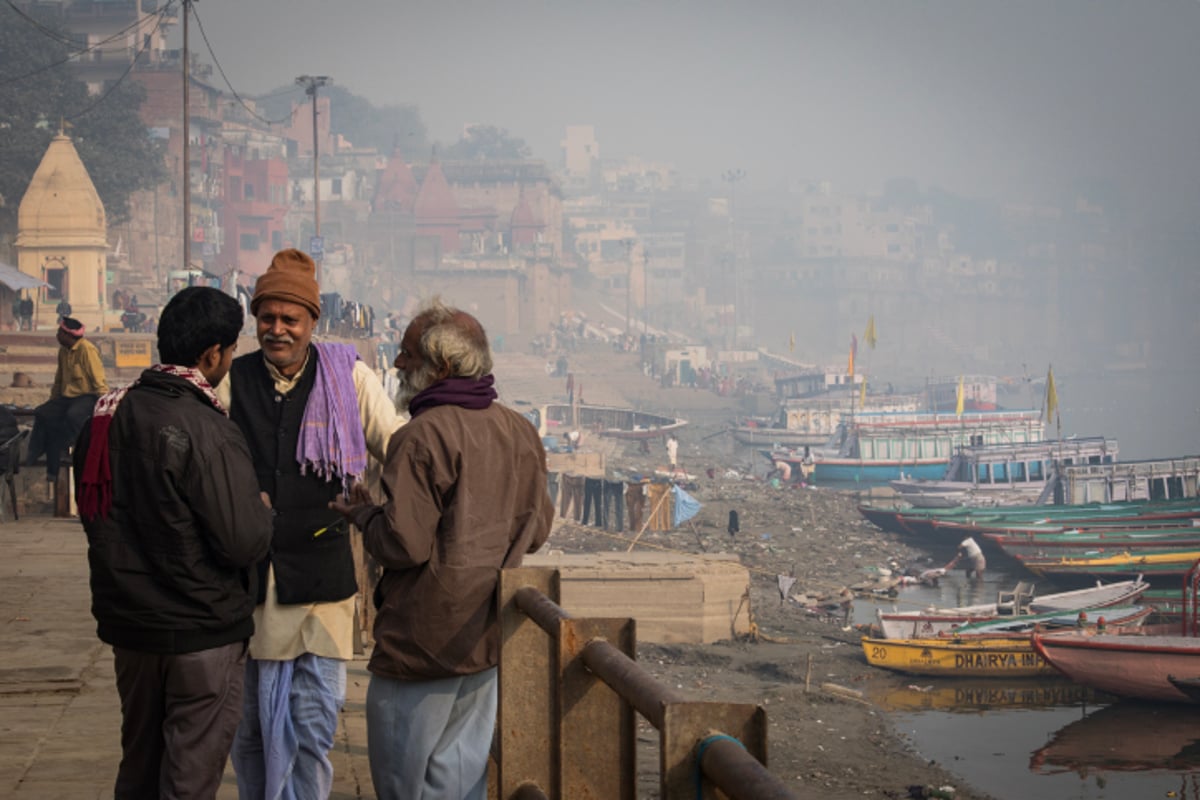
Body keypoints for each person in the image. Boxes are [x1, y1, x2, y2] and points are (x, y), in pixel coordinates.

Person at [330, 298, 553, 800]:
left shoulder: (422, 436)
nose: (397, 364)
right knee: (459, 781)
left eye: (407, 355)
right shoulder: (521, 431)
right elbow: (537, 531)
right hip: (486, 635)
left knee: (401, 784)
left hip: (421, 642)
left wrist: (365, 515)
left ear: (442, 367)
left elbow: (403, 545)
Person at [72, 287, 274, 799]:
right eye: (230, 351)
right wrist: (264, 513)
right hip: (199, 633)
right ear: (213, 355)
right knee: (189, 778)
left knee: (139, 768)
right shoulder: (208, 429)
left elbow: (99, 519)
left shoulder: (104, 419)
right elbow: (242, 541)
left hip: (132, 629)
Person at [223, 249, 399, 800]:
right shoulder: (234, 379)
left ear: (311, 323)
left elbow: (398, 445)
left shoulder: (349, 378)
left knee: (314, 724)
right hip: (254, 581)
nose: (277, 330)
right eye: (267, 318)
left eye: (289, 319)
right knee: (252, 729)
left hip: (323, 580)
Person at [26, 316, 108, 481]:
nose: (57, 336)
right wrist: (52, 401)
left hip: (86, 396)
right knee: (43, 413)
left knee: (73, 415)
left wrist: (104, 403)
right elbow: (59, 379)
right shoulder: (63, 351)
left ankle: (76, 449)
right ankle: (36, 451)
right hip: (67, 397)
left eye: (59, 333)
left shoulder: (87, 350)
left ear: (67, 335)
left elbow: (98, 379)